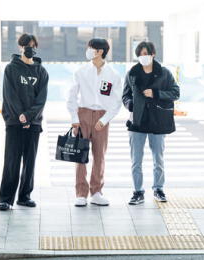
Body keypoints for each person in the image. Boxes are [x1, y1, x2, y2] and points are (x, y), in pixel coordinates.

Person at [122, 41, 180, 205]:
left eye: (145, 54)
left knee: (158, 158)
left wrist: (155, 93)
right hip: (137, 122)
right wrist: (131, 105)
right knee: (136, 160)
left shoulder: (164, 73)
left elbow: (175, 92)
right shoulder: (132, 73)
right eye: (140, 54)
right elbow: (125, 95)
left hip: (157, 121)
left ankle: (158, 189)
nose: (143, 57)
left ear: (153, 54)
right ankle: (138, 191)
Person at [66, 38, 122, 207]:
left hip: (102, 118)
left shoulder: (113, 74)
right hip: (83, 114)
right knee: (80, 155)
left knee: (99, 156)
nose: (88, 51)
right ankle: (81, 193)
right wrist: (75, 120)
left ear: (100, 51)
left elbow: (116, 101)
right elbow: (71, 97)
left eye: (91, 48)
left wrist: (104, 120)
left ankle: (96, 191)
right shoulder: (81, 71)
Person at [0, 34, 49, 211]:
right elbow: (10, 96)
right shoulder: (11, 69)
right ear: (20, 47)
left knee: (30, 161)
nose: (30, 48)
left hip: (33, 123)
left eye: (33, 45)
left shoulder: (41, 71)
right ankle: (6, 199)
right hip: (14, 121)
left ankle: (24, 196)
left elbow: (41, 99)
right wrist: (20, 116)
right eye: (26, 45)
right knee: (12, 161)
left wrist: (29, 117)